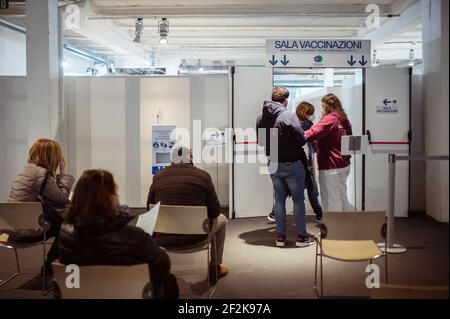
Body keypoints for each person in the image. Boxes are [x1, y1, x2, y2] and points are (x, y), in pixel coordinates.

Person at [59, 169, 179, 299]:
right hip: (128, 294)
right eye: (115, 192)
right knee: (169, 281)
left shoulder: (65, 235)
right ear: (108, 198)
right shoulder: (134, 237)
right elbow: (162, 266)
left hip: (83, 294)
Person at [147, 147, 229, 284]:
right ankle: (215, 266)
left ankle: (157, 269)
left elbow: (150, 211)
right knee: (222, 219)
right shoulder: (203, 176)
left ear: (172, 159)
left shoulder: (158, 177)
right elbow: (215, 212)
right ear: (190, 157)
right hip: (197, 237)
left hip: (164, 238)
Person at [256, 87, 315, 247]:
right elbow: (301, 140)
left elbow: (261, 142)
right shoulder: (289, 116)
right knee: (298, 200)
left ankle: (280, 238)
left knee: (279, 200)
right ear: (286, 100)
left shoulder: (261, 118)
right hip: (291, 163)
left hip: (273, 163)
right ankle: (301, 238)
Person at [8, 138, 74, 275]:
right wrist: (63, 172)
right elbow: (62, 199)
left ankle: (52, 263)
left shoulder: (26, 169)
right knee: (69, 226)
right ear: (52, 156)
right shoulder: (41, 174)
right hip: (27, 231)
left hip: (10, 229)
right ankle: (51, 265)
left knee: (62, 222)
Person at [266, 101, 323, 223]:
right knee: (309, 190)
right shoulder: (306, 125)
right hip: (301, 161)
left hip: (287, 160)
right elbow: (307, 143)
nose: (312, 115)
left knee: (282, 191)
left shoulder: (288, 122)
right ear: (306, 113)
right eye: (311, 113)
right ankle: (319, 213)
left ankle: (274, 213)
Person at [304, 93, 353, 212]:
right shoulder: (344, 119)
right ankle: (347, 226)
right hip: (344, 164)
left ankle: (333, 229)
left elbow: (311, 134)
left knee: (331, 201)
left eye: (323, 106)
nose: (322, 109)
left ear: (327, 106)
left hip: (331, 165)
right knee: (342, 198)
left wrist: (297, 134)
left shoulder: (330, 119)